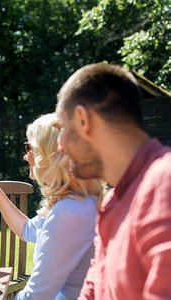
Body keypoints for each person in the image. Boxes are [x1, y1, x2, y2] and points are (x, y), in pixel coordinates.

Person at [54, 63, 171, 299]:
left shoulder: (163, 184)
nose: (60, 146)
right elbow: (93, 288)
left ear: (83, 120)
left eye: (62, 129)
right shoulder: (115, 200)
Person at [0, 113, 105, 299]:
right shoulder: (78, 202)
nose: (25, 156)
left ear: (50, 155)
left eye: (30, 148)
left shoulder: (68, 213)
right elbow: (27, 230)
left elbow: (36, 296)